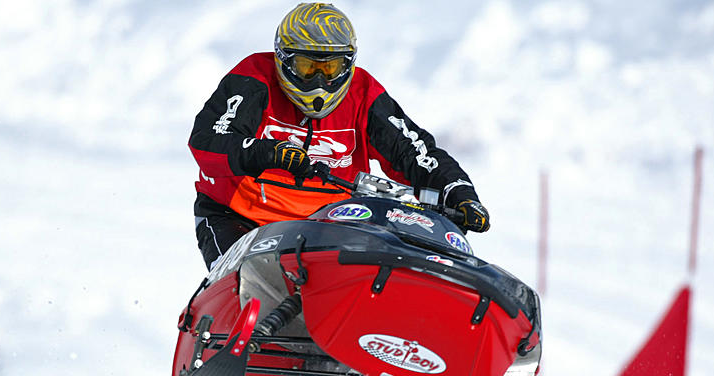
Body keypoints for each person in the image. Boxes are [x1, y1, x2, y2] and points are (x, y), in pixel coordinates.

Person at [189, 2, 490, 269]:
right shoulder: (253, 78)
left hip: (331, 223)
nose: (320, 80)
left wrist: (458, 192)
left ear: (348, 65)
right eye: (307, 68)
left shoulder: (364, 93)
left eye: (331, 68)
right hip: (241, 217)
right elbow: (208, 140)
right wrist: (268, 152)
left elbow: (414, 151)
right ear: (283, 60)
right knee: (254, 286)